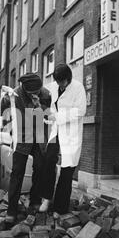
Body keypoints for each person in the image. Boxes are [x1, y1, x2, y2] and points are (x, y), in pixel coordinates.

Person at [0, 73, 52, 224]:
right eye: (33, 93)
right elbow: (2, 109)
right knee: (17, 172)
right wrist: (5, 99)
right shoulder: (15, 93)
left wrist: (38, 105)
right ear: (25, 89)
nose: (36, 94)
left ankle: (35, 200)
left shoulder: (46, 94)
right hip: (22, 136)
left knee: (40, 168)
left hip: (39, 135)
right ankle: (12, 210)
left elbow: (48, 116)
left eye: (37, 91)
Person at [39, 64, 87, 218]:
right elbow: (42, 97)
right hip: (56, 131)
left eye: (63, 82)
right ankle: (46, 199)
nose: (60, 84)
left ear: (69, 78)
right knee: (48, 161)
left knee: (67, 170)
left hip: (71, 133)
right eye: (58, 82)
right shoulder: (52, 86)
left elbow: (80, 111)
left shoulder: (78, 88)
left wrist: (58, 117)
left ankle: (60, 208)